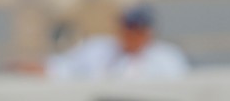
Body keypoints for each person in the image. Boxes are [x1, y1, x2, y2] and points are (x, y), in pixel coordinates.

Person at [41, 5, 189, 80]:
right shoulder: (98, 48)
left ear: (148, 33)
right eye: (128, 28)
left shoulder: (167, 58)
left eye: (138, 30)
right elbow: (62, 68)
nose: (131, 35)